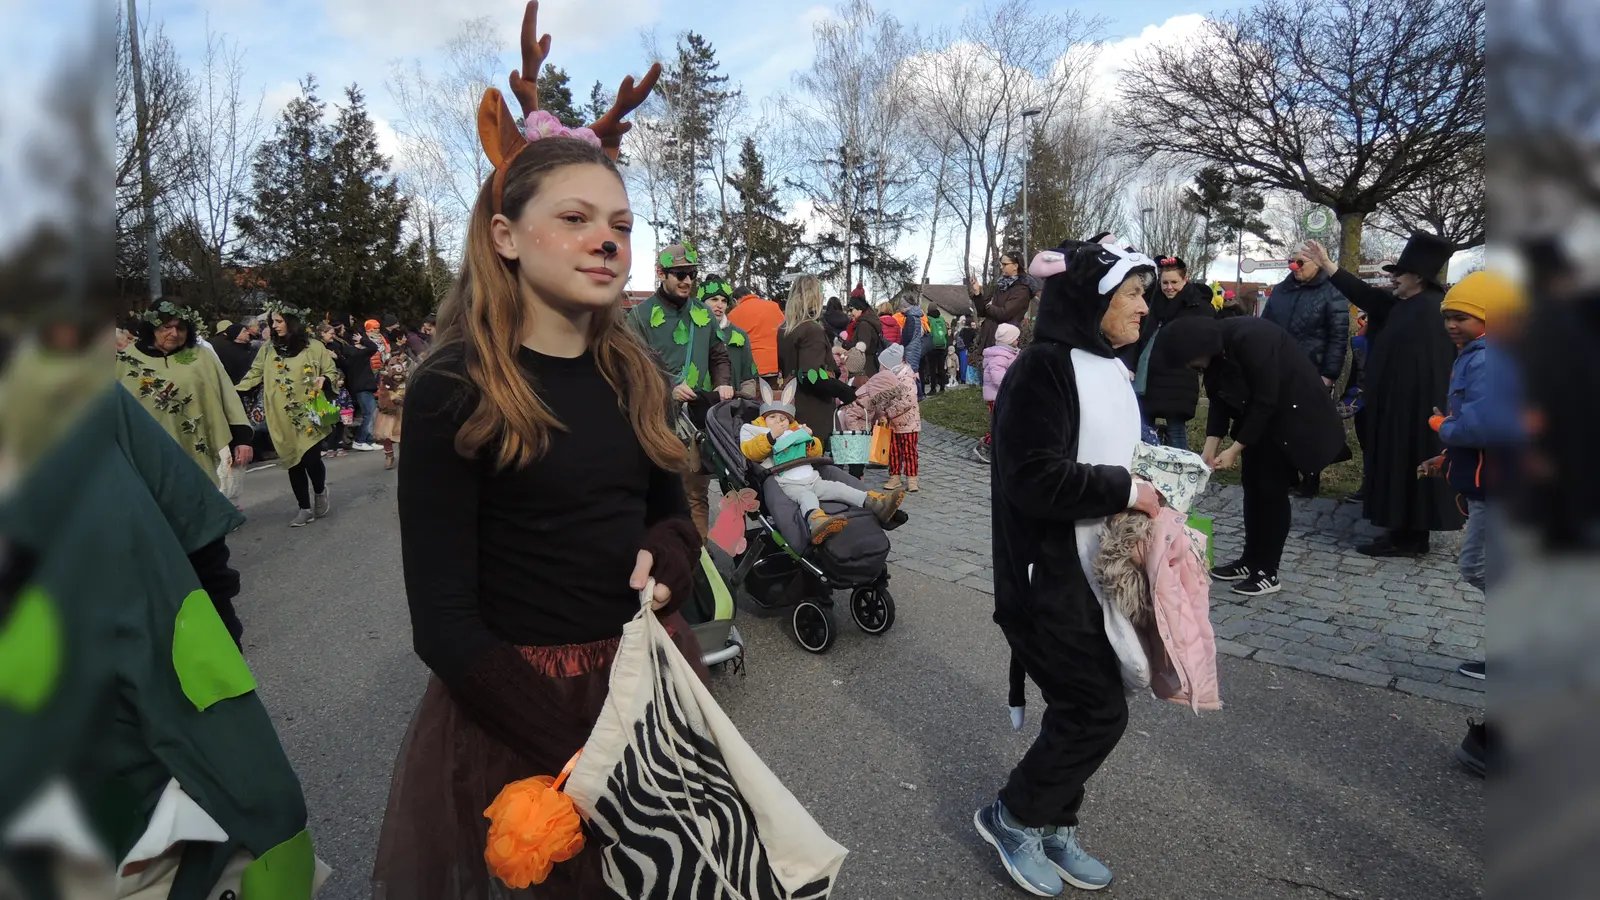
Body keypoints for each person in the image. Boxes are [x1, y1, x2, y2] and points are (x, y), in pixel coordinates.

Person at [372, 75, 707, 900]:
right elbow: (443, 621)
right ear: (506, 236)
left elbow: (676, 519)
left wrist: (667, 557)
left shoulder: (637, 372)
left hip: (647, 688)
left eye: (621, 225)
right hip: (525, 718)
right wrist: (582, 757)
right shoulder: (455, 384)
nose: (607, 241)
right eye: (576, 218)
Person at [979, 239, 1163, 896]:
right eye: (1135, 294)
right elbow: (1031, 477)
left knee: (1082, 707)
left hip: (1096, 572)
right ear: (1092, 299)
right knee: (1096, 709)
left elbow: (1115, 453)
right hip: (1045, 579)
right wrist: (1125, 489)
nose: (1146, 307)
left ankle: (1055, 823)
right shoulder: (1044, 369)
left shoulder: (1108, 365)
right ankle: (1013, 815)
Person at [1159, 315, 1350, 596]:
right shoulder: (1215, 352)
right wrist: (1210, 447)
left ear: (1198, 348)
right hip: (1258, 419)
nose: (1192, 368)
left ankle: (1267, 571)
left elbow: (1266, 397)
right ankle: (1249, 560)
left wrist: (1236, 448)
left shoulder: (1252, 339)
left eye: (1190, 362)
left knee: (1271, 492)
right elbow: (1219, 400)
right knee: (1253, 488)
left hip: (1290, 417)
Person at [1305, 233, 1463, 556]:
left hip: (1417, 412)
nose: (1393, 278)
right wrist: (1327, 264)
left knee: (1411, 468)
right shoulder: (1403, 305)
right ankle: (1401, 532)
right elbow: (1363, 294)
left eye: (1399, 273)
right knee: (1397, 467)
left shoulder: (1433, 312)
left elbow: (1430, 368)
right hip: (1396, 408)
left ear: (1418, 277)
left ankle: (1410, 537)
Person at [626, 240, 732, 536]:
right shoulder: (639, 317)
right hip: (654, 422)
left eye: (692, 275)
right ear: (662, 273)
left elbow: (719, 355)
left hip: (694, 421)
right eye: (680, 274)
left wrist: (723, 384)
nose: (688, 281)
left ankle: (698, 570)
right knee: (656, 497)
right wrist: (667, 387)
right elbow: (631, 369)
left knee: (695, 496)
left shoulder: (703, 313)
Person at [116, 298, 255, 525]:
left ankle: (212, 559)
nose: (173, 333)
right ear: (152, 326)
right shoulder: (125, 360)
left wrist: (242, 438)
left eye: (180, 327)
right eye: (166, 327)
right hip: (147, 455)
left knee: (201, 510)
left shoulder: (201, 356)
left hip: (194, 448)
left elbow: (225, 394)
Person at [739, 380, 903, 542]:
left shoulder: (794, 430)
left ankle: (875, 503)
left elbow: (816, 451)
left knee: (839, 488)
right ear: (763, 419)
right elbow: (751, 451)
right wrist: (770, 436)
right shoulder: (755, 431)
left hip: (812, 478)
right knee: (807, 498)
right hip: (787, 483)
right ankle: (817, 522)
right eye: (772, 417)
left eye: (783, 418)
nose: (778, 421)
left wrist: (809, 439)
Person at [235, 302, 339, 526]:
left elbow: (332, 371)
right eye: (273, 321)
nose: (274, 326)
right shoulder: (269, 348)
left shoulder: (314, 347)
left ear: (292, 322)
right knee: (293, 462)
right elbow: (255, 372)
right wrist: (235, 392)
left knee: (311, 459)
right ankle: (304, 508)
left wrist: (326, 380)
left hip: (310, 412)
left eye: (279, 321)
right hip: (280, 415)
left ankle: (320, 491)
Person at [1260, 248, 1350, 496]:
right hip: (1280, 368)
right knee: (1280, 423)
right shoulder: (1280, 291)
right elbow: (1264, 326)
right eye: (1291, 262)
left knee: (1310, 426)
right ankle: (1286, 476)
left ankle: (1310, 479)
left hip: (1313, 370)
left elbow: (1338, 337)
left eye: (1300, 262)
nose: (1295, 267)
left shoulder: (1332, 292)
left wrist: (1329, 373)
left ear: (1317, 263)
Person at [1127, 255, 1216, 451]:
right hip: (1148, 376)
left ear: (1185, 279)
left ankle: (1180, 471)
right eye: (1165, 282)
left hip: (1179, 377)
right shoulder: (1151, 304)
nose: (1169, 287)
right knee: (1143, 428)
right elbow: (1140, 337)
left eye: (1174, 282)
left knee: (1176, 429)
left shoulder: (1198, 307)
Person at [969, 251, 1035, 461]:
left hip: (1007, 340)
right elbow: (984, 311)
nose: (1002, 267)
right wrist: (978, 294)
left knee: (1004, 399)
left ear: (1016, 265)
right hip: (991, 341)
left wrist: (989, 308)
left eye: (1005, 264)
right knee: (994, 397)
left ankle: (995, 441)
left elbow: (1004, 313)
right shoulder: (1000, 284)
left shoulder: (1023, 289)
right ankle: (995, 439)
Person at [778, 274, 856, 447]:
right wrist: (845, 391)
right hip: (811, 410)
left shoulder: (785, 329)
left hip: (791, 404)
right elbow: (810, 374)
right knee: (811, 465)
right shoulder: (811, 330)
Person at [327, 317, 383, 450]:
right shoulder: (356, 352)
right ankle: (361, 439)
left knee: (371, 412)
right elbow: (373, 347)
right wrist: (362, 340)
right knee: (369, 412)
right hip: (362, 386)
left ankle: (369, 440)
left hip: (362, 385)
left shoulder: (351, 353)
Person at [873, 344, 922, 492]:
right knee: (893, 451)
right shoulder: (889, 379)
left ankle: (912, 478)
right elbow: (883, 398)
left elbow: (908, 400)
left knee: (909, 451)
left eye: (882, 366)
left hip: (908, 423)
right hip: (892, 424)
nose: (880, 369)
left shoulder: (906, 378)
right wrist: (881, 411)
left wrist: (889, 412)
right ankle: (894, 476)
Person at [701, 276, 761, 397]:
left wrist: (742, 401)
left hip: (731, 408)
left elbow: (749, 380)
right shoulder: (692, 332)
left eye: (724, 301)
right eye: (714, 299)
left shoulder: (739, 335)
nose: (720, 305)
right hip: (696, 407)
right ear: (702, 302)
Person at [730, 285, 786, 383]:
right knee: (773, 396)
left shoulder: (733, 315)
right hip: (776, 365)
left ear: (735, 301)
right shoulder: (773, 306)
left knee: (756, 397)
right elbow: (785, 329)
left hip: (753, 367)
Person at [374, 355, 407, 470]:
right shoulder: (385, 381)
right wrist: (391, 399)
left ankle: (405, 457)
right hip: (388, 412)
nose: (398, 377)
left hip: (402, 410)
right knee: (386, 435)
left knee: (403, 435)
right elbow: (382, 394)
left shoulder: (406, 381)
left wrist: (403, 399)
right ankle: (389, 456)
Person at [983, 322, 1021, 417]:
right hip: (996, 395)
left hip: (1004, 394)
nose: (1018, 339)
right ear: (1009, 340)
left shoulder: (1010, 353)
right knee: (1000, 418)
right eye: (1016, 338)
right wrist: (1012, 385)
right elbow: (998, 378)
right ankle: (996, 432)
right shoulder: (999, 356)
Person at [846, 292, 885, 377]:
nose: (849, 313)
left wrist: (846, 345)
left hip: (864, 370)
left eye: (851, 310)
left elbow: (861, 348)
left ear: (859, 309)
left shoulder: (864, 325)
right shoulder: (868, 321)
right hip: (869, 367)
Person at [212, 320, 259, 384]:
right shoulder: (232, 350)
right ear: (236, 335)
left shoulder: (212, 342)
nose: (248, 333)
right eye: (244, 331)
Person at [924, 304, 951, 395]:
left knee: (932, 369)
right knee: (941, 367)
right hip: (942, 346)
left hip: (932, 346)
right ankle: (942, 387)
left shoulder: (928, 319)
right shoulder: (941, 319)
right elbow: (945, 331)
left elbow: (926, 331)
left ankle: (933, 388)